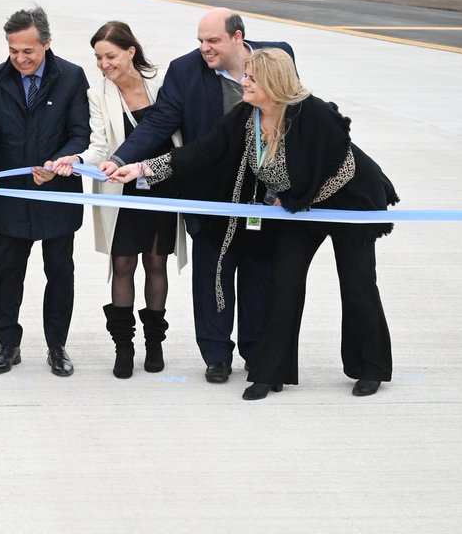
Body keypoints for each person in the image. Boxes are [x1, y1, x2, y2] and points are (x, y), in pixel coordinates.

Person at [115, 48, 397, 400]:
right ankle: (269, 372)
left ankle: (370, 368)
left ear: (273, 83)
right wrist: (142, 168)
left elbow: (338, 166)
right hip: (299, 206)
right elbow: (203, 151)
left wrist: (296, 199)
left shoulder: (313, 113)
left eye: (251, 78)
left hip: (349, 200)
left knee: (357, 285)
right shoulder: (247, 115)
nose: (243, 83)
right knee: (284, 283)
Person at [105, 8, 292, 384]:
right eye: (201, 41)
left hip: (261, 196)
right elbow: (160, 122)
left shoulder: (276, 57)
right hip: (210, 195)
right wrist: (122, 159)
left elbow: (293, 112)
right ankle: (216, 356)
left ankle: (256, 353)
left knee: (258, 277)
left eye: (213, 41)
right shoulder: (185, 71)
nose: (205, 48)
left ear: (238, 38)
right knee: (212, 277)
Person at [47, 21, 186, 378]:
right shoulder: (98, 94)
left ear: (131, 51)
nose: (103, 64)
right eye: (98, 58)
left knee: (156, 263)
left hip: (162, 184)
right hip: (121, 188)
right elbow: (99, 146)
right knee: (122, 264)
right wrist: (78, 160)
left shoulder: (162, 81)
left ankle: (154, 343)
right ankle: (123, 347)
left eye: (110, 56)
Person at [0, 7, 90, 377]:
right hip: (11, 194)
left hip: (57, 193)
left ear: (46, 44)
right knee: (7, 273)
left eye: (28, 51)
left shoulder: (71, 77)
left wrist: (59, 163)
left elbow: (80, 133)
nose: (20, 59)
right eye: (13, 51)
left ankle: (57, 346)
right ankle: (8, 344)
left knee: (60, 273)